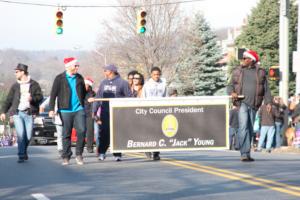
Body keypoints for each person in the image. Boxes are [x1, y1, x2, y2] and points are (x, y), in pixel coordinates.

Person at [227, 49, 272, 162]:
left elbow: (266, 89)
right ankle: (243, 153)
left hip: (254, 105)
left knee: (250, 128)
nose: (243, 60)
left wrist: (268, 102)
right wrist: (232, 92)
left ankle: (247, 153)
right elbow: (230, 86)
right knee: (243, 127)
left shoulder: (261, 72)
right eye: (243, 58)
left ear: (251, 60)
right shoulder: (238, 71)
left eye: (245, 58)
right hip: (242, 103)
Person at [0, 63, 43, 163]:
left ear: (23, 72)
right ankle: (21, 155)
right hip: (17, 113)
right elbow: (9, 100)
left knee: (28, 136)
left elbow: (40, 97)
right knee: (21, 134)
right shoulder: (15, 86)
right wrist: (3, 112)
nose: (15, 74)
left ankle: (23, 150)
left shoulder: (34, 84)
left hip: (29, 113)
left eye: (17, 72)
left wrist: (32, 98)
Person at [49, 57, 87, 166]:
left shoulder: (79, 78)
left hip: (79, 109)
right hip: (65, 110)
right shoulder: (59, 78)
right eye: (75, 65)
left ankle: (79, 154)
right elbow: (53, 95)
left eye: (77, 65)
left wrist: (89, 97)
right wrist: (51, 109)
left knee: (82, 130)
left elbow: (85, 92)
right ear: (69, 66)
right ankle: (66, 156)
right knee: (66, 134)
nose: (77, 67)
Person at [93, 64, 131, 161]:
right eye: (104, 70)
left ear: (112, 71)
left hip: (118, 113)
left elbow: (129, 98)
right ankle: (102, 153)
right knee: (104, 132)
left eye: (106, 70)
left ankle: (117, 154)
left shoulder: (123, 83)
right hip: (105, 112)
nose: (104, 72)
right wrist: (94, 112)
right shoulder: (103, 83)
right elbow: (98, 98)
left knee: (116, 133)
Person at [141, 66, 167, 160]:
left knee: (158, 133)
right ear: (151, 75)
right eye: (154, 74)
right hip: (149, 111)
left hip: (159, 111)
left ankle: (156, 153)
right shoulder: (147, 85)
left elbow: (165, 97)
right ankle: (147, 151)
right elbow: (143, 98)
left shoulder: (163, 85)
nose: (156, 76)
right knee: (148, 132)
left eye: (158, 74)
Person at [84, 77, 96, 153]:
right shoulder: (79, 92)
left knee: (90, 130)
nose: (85, 86)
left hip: (89, 113)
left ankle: (89, 147)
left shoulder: (92, 93)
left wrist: (93, 113)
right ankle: (81, 145)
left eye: (87, 85)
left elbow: (94, 104)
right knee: (81, 130)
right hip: (80, 113)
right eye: (84, 84)